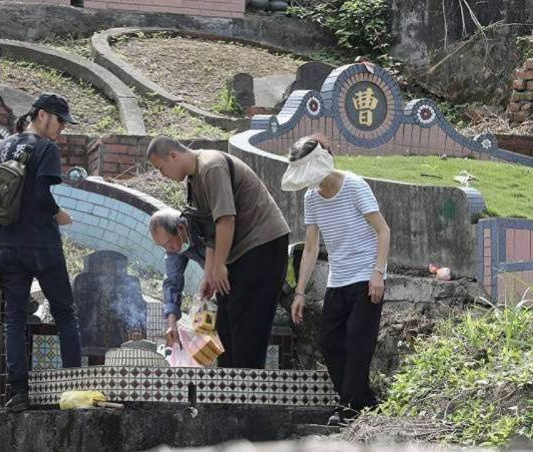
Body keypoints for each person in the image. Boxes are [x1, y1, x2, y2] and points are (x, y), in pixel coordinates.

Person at [0, 93, 82, 413]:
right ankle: (73, 387)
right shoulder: (46, 148)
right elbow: (41, 191)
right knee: (65, 314)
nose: (62, 127)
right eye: (60, 120)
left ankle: (18, 394)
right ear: (43, 115)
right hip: (44, 248)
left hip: (8, 246)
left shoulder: (0, 147)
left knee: (15, 320)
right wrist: (58, 214)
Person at [147, 136, 290, 369]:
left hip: (261, 245)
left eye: (161, 168)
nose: (162, 175)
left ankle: (247, 396)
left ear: (173, 156)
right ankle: (229, 392)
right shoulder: (194, 182)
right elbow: (211, 232)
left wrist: (220, 265)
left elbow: (225, 219)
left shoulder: (211, 166)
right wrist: (209, 274)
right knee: (225, 323)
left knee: (247, 325)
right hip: (236, 253)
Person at [285, 135, 391, 426]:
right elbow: (310, 247)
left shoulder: (354, 186)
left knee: (358, 338)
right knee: (329, 340)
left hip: (367, 275)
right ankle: (362, 400)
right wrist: (300, 293)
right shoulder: (311, 197)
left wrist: (378, 274)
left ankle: (349, 406)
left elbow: (383, 231)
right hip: (338, 278)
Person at [148, 208, 206, 347]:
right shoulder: (175, 248)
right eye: (163, 247)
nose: (169, 249)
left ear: (180, 228)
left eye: (168, 243)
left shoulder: (202, 229)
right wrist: (172, 324)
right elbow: (172, 282)